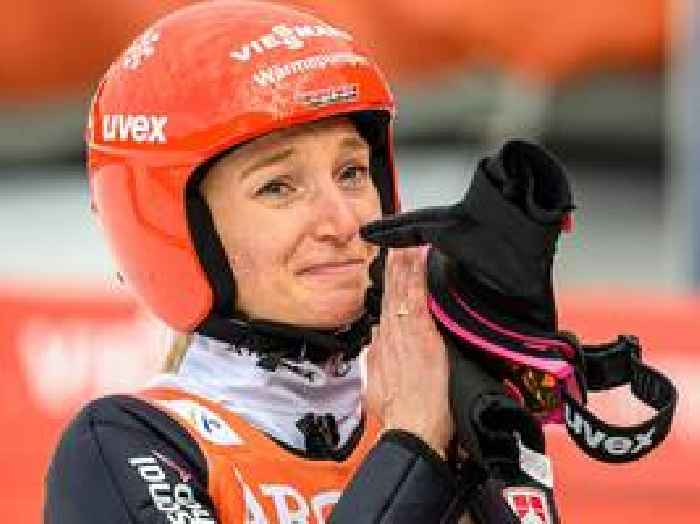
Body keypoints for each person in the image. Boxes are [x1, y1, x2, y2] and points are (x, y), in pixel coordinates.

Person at [44, 1, 559, 522]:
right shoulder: (124, 448)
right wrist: (413, 445)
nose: (342, 222)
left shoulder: (438, 416)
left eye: (352, 173)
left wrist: (489, 449)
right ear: (178, 229)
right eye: (278, 187)